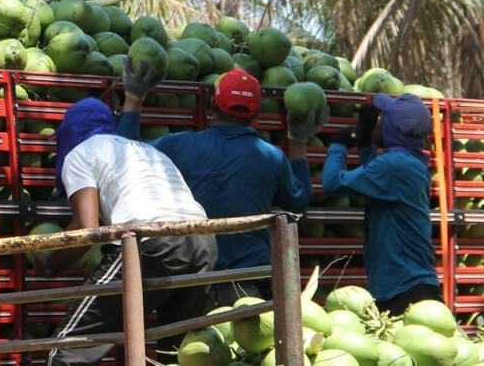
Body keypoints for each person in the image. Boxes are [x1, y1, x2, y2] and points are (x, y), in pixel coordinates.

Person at [42, 64, 216, 365]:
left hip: (151, 240)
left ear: (69, 134)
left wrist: (52, 261)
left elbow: (86, 231)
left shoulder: (80, 153)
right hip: (204, 241)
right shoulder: (145, 150)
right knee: (179, 352)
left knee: (68, 349)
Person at [132, 66, 325, 306]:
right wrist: (297, 140)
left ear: (212, 108)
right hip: (249, 280)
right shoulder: (272, 158)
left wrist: (134, 98)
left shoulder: (179, 146)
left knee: (185, 343)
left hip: (193, 278)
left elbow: (129, 150)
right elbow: (298, 201)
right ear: (256, 116)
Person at [322, 93, 442, 316]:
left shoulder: (393, 166)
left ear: (393, 128)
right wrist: (366, 143)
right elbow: (375, 178)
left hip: (405, 289)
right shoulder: (408, 163)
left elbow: (332, 184)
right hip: (409, 284)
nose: (378, 122)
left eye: (383, 119)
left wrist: (338, 144)